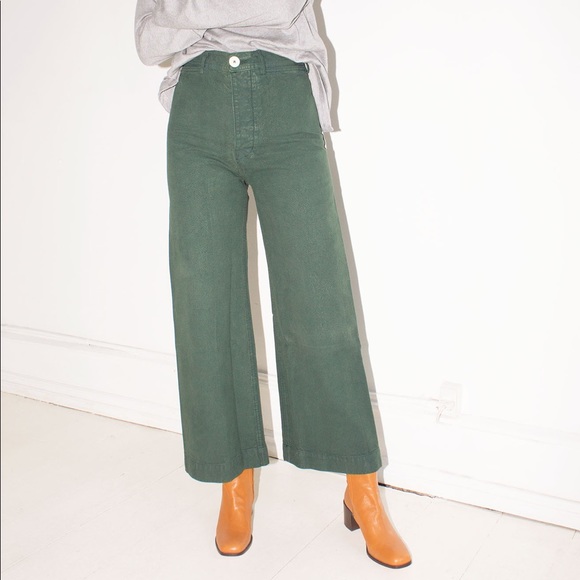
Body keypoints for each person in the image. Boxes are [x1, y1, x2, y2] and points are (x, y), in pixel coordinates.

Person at [134, 0, 412, 569]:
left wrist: (187, 14)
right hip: (196, 111)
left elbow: (277, 7)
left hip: (284, 97)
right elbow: (147, 41)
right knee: (204, 305)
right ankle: (233, 485)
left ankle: (362, 490)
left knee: (320, 299)